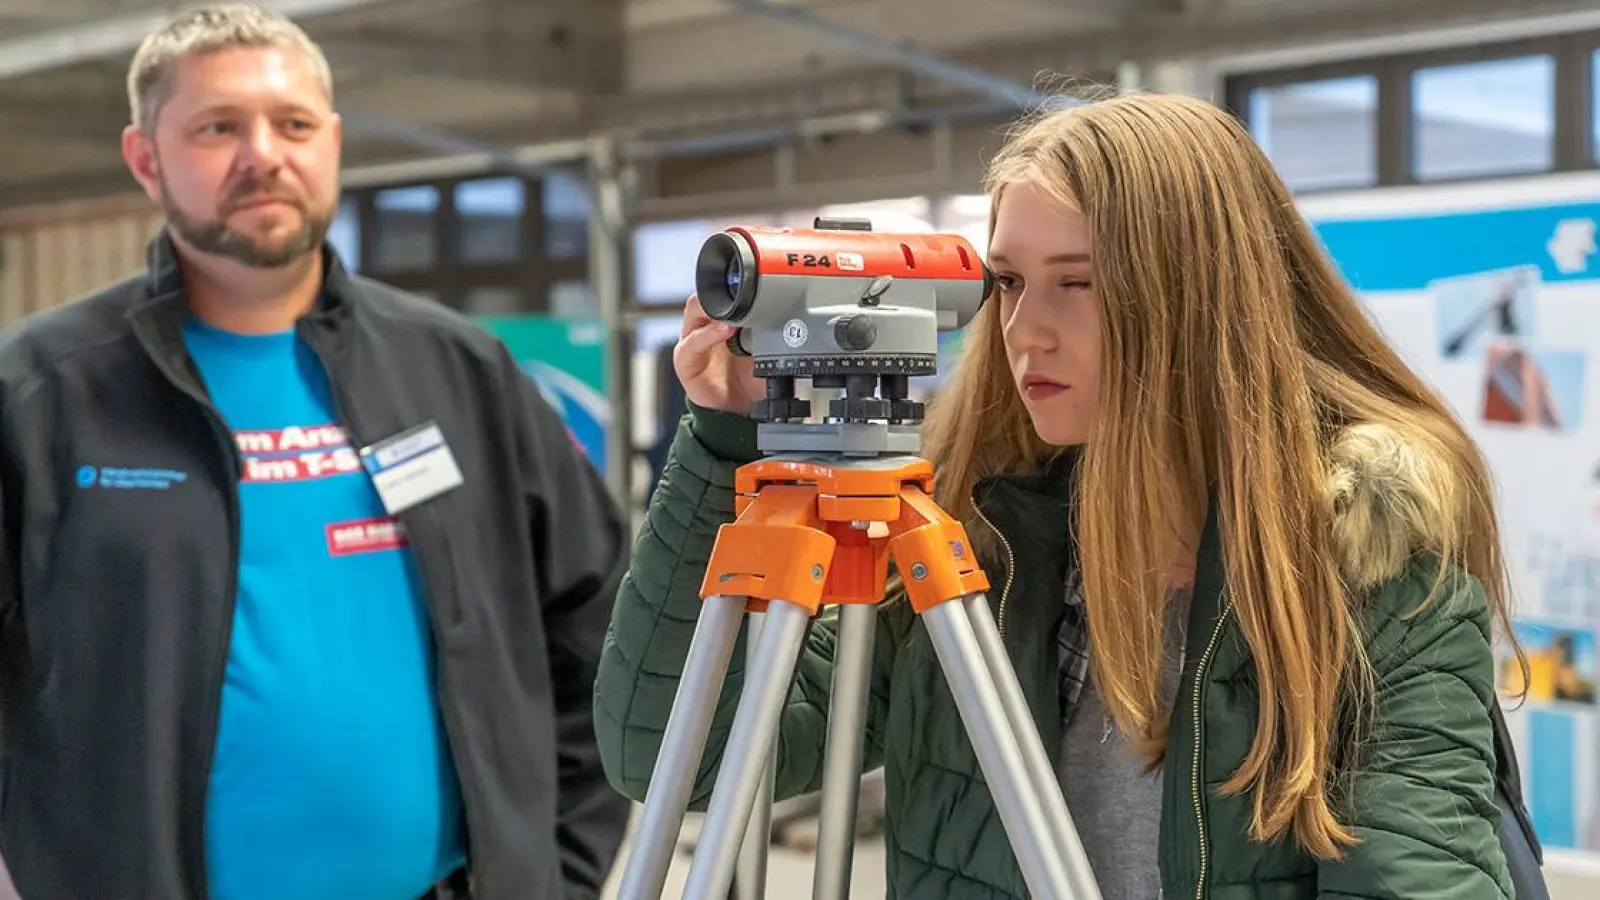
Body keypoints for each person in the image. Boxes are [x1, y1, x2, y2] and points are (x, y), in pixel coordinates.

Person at [595, 91, 1526, 898]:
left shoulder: (1364, 554)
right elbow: (685, 754)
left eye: (1077, 283)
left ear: (1195, 297)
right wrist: (728, 443)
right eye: (1006, 283)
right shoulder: (978, 537)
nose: (1025, 331)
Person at [0, 4, 629, 899]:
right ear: (146, 158)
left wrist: (557, 867)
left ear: (331, 142)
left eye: (293, 124)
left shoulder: (458, 369)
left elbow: (600, 623)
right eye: (218, 127)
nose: (264, 154)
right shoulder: (40, 391)